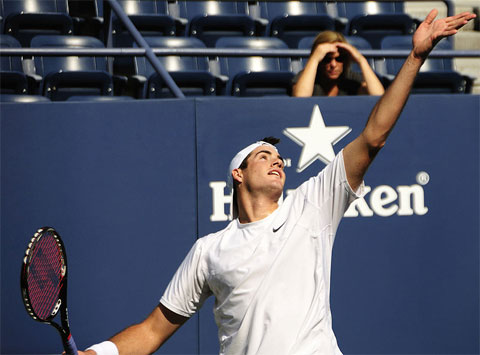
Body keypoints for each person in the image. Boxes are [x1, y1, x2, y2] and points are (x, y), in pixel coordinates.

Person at [80, 9, 476, 355]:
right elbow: (151, 331)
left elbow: (374, 136)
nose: (278, 162)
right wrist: (98, 353)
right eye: (264, 156)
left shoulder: (313, 204)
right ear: (238, 174)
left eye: (280, 158)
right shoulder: (208, 251)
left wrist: (415, 57)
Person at [292, 30, 385, 97]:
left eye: (339, 59)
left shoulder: (351, 79)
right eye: (327, 59)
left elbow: (379, 97)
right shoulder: (306, 78)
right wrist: (314, 59)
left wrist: (361, 60)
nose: (333, 64)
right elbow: (300, 99)